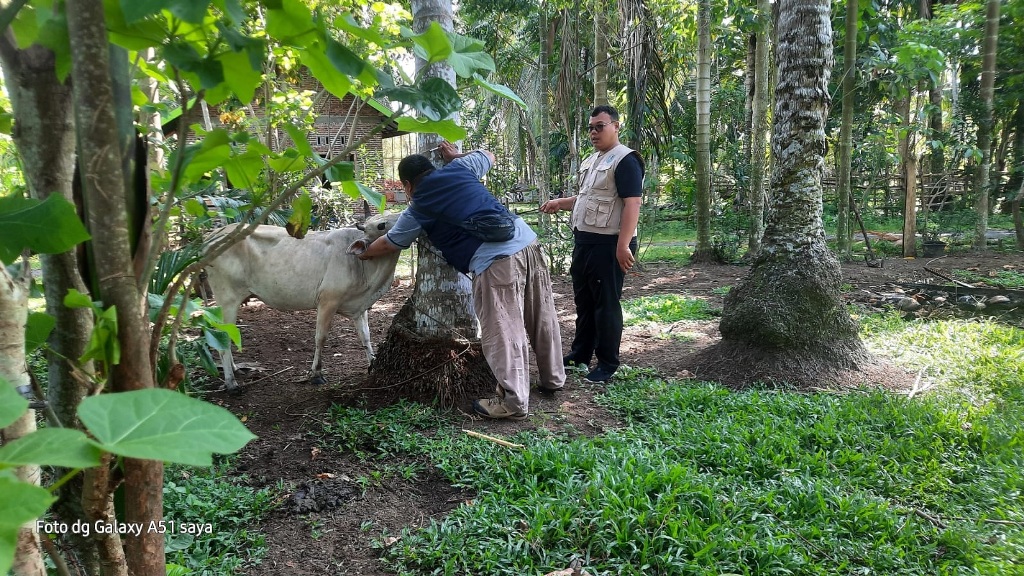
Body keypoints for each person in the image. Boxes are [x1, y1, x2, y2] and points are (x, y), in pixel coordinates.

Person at [351, 141, 566, 421]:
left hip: (496, 260)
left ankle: (513, 403)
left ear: (407, 185)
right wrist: (456, 155)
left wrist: (364, 253)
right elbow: (489, 154)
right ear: (433, 168)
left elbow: (392, 242)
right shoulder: (462, 167)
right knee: (542, 315)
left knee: (503, 331)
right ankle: (553, 378)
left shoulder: (419, 206)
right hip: (527, 242)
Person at [540, 105, 644, 383]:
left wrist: (623, 246)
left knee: (606, 303)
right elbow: (588, 197)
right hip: (585, 240)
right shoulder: (594, 159)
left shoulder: (625, 160)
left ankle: (607, 363)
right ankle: (581, 354)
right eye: (591, 127)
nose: (594, 132)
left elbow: (632, 203)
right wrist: (562, 203)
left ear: (616, 126)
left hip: (609, 244)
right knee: (584, 301)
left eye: (600, 126)